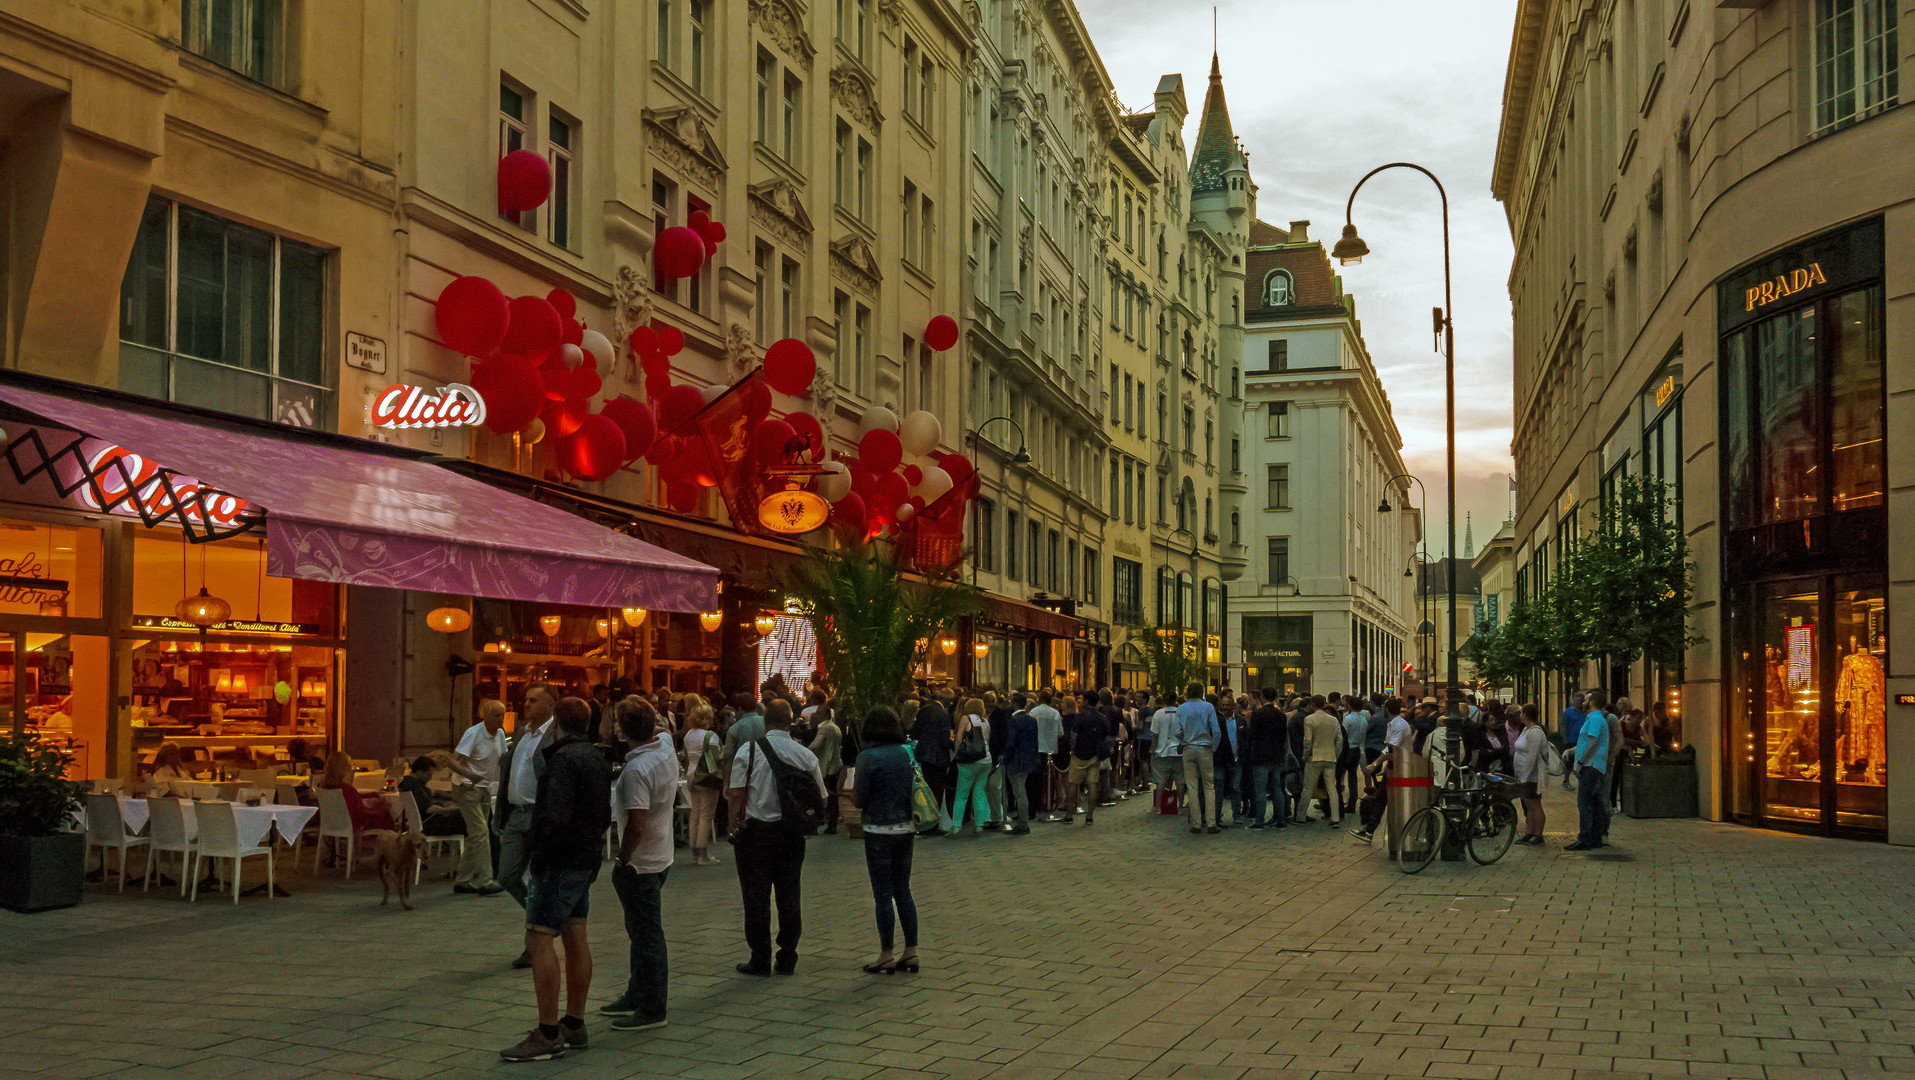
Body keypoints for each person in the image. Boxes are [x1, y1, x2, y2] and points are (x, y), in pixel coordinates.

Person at [499, 697, 612, 1062]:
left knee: (539, 938)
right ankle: (574, 1022)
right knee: (575, 935)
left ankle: (547, 1032)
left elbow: (556, 816)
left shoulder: (562, 759)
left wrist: (540, 856)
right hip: (585, 857)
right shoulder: (595, 756)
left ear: (557, 723)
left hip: (559, 861)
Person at [726, 699, 827, 977]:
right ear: (791, 721)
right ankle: (788, 954)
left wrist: (733, 823)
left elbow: (736, 793)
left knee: (755, 895)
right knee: (789, 892)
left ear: (764, 721)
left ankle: (759, 956)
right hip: (791, 833)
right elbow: (821, 796)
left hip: (755, 832)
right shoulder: (804, 754)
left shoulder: (749, 750)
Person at [600, 699, 676, 1033]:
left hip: (641, 861)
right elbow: (660, 729)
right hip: (661, 853)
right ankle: (636, 992)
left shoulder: (636, 771)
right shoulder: (665, 747)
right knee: (640, 930)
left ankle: (652, 1006)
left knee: (646, 933)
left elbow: (636, 824)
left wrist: (622, 858)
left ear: (621, 730)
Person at [851, 706, 921, 974]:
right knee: (903, 889)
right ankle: (912, 951)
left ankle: (886, 953)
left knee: (883, 894)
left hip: (877, 829)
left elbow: (858, 799)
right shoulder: (907, 752)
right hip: (906, 827)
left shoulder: (867, 757)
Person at [497, 684, 558, 967]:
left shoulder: (554, 735)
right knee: (507, 876)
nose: (527, 704)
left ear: (550, 705)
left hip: (537, 815)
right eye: (526, 700)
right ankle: (545, 918)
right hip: (515, 814)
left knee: (536, 881)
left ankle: (533, 943)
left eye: (534, 700)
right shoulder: (522, 732)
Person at [450, 700, 508, 896]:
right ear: (484, 715)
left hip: (485, 788)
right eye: (495, 715)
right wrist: (469, 775)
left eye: (502, 714)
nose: (500, 719)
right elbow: (451, 760)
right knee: (481, 832)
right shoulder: (473, 733)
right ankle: (485, 880)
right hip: (467, 788)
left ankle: (463, 880)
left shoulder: (500, 734)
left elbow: (502, 760)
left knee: (477, 835)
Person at [1566, 690, 1614, 851]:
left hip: (1591, 766)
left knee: (1584, 802)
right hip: (1594, 765)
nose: (1583, 701)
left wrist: (1580, 761)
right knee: (1593, 802)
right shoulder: (1597, 718)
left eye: (1587, 698)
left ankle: (1585, 838)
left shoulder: (1594, 718)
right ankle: (1595, 838)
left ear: (1592, 701)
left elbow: (1592, 741)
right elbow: (1589, 741)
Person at [681, 700, 723, 866]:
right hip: (706, 777)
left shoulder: (688, 735)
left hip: (691, 775)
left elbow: (685, 757)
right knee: (706, 816)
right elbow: (712, 760)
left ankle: (694, 853)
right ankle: (703, 855)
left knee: (695, 815)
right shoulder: (710, 736)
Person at [1176, 683, 1220, 834]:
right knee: (1209, 786)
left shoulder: (1181, 708)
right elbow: (1216, 731)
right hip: (1204, 748)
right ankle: (1211, 823)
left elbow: (1177, 731)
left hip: (1188, 747)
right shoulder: (1208, 707)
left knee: (1192, 786)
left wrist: (1182, 740)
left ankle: (1195, 823)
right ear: (1202, 692)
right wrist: (1213, 747)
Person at [1061, 694, 1110, 826]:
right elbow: (1106, 734)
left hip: (1079, 753)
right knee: (1092, 784)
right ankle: (1089, 816)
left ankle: (1069, 814)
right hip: (1094, 754)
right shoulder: (1102, 717)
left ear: (1086, 701)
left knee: (1073, 784)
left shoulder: (1080, 716)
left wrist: (1072, 749)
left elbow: (1074, 735)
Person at [318, 751, 397, 832]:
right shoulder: (346, 789)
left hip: (332, 824)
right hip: (352, 825)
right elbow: (356, 813)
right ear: (345, 768)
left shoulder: (324, 788)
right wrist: (380, 808)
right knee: (385, 814)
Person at [1244, 688, 1288, 830]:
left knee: (1260, 791)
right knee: (1277, 789)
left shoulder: (1258, 714)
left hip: (1260, 756)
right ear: (1275, 697)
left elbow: (1252, 736)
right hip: (1276, 757)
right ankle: (1281, 819)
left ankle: (1259, 821)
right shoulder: (1281, 715)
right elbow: (1283, 737)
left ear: (1262, 697)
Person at [911, 692, 955, 829]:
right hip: (938, 756)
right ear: (942, 699)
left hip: (923, 752)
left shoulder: (923, 711)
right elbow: (944, 737)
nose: (950, 703)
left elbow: (916, 731)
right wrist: (953, 745)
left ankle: (926, 817)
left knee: (925, 788)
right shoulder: (944, 714)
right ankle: (934, 820)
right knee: (937, 788)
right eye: (949, 700)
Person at [949, 698, 992, 836]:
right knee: (979, 792)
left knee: (962, 794)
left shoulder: (966, 719)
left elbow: (959, 738)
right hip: (986, 760)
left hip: (969, 761)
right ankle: (979, 825)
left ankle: (956, 826)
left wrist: (956, 752)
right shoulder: (986, 721)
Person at [1296, 697, 1342, 826]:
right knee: (1332, 789)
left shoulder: (1309, 719)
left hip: (1314, 757)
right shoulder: (1333, 720)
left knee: (1308, 788)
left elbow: (1308, 741)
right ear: (1324, 704)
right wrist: (1335, 755)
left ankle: (1301, 816)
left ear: (1311, 704)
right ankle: (1335, 818)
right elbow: (1339, 740)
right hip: (1330, 757)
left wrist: (1305, 755)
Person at [1002, 693, 1039, 834]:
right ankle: (1023, 820)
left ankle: (1023, 823)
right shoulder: (1032, 720)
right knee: (1022, 790)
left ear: (1015, 704)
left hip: (1015, 760)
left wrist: (1006, 757)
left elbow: (1011, 743)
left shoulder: (1013, 720)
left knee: (1019, 792)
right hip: (1028, 758)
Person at [1511, 703, 1547, 845]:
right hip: (1523, 774)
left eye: (1521, 713)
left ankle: (1538, 834)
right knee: (1528, 804)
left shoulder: (1535, 732)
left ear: (1525, 714)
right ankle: (1529, 832)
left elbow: (1533, 757)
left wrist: (1526, 776)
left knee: (1534, 804)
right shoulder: (1527, 729)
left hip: (1532, 775)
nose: (1519, 716)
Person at [808, 702, 844, 836]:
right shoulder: (835, 727)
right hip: (835, 764)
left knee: (821, 794)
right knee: (833, 797)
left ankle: (817, 822)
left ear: (823, 714)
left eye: (818, 713)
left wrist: (804, 751)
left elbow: (816, 745)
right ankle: (832, 823)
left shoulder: (823, 728)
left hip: (825, 765)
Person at [1338, 695, 1368, 816]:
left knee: (1340, 776)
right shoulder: (1364, 720)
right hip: (1358, 749)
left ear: (1349, 705)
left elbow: (1343, 735)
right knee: (1353, 777)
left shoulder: (1348, 719)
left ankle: (1339, 804)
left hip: (1347, 749)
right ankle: (1352, 803)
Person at [1150, 698, 1183, 802]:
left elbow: (1155, 735)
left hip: (1162, 752)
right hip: (1178, 752)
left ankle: (1158, 806)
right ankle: (1181, 806)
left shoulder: (1158, 714)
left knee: (1160, 781)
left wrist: (1153, 750)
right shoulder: (1181, 713)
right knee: (1180, 781)